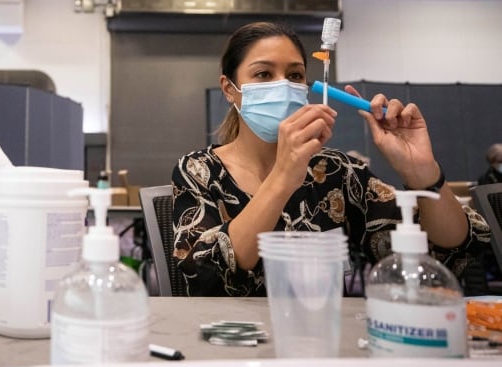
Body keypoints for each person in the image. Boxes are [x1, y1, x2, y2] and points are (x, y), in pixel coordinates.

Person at [172, 22, 491, 296]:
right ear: (229, 89)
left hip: (320, 342)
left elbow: (450, 251)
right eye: (263, 74)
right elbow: (203, 278)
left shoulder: (336, 172)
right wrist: (283, 177)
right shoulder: (198, 171)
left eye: (295, 75)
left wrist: (422, 171)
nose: (282, 85)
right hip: (228, 346)